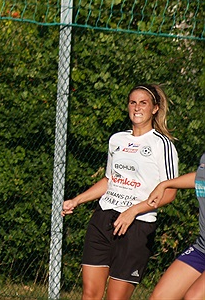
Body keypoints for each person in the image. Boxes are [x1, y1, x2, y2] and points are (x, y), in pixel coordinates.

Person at [61, 84, 179, 300]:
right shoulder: (117, 139)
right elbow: (109, 180)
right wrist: (77, 200)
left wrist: (133, 211)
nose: (137, 107)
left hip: (137, 225)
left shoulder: (162, 145)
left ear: (155, 108)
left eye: (143, 103)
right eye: (133, 102)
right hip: (103, 219)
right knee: (89, 294)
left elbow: (169, 193)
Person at [146, 153, 205, 300]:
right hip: (201, 248)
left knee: (194, 297)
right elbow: (200, 177)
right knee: (159, 297)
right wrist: (165, 184)